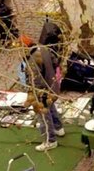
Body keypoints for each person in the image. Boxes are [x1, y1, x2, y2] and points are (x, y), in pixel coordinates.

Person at [24, 23, 64, 151]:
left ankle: (50, 140)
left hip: (42, 91)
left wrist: (33, 95)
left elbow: (36, 81)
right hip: (52, 86)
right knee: (51, 108)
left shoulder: (32, 61)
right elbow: (55, 62)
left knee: (43, 116)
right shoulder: (43, 49)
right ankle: (58, 127)